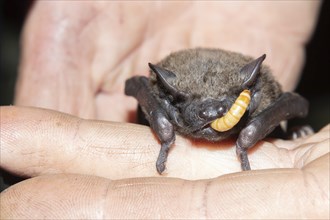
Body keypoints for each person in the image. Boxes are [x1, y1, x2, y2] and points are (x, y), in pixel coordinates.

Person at [1, 1, 328, 219]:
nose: (213, 115)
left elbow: (296, 103)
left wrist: (250, 136)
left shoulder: (261, 89)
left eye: (222, 106)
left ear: (248, 92)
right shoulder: (159, 90)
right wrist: (166, 132)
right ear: (168, 97)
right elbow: (136, 84)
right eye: (197, 107)